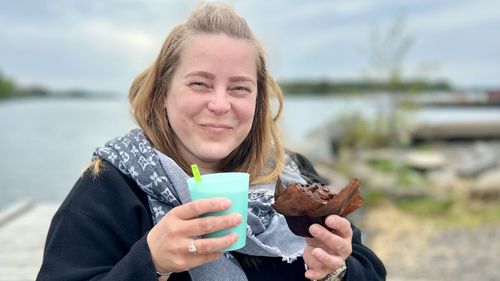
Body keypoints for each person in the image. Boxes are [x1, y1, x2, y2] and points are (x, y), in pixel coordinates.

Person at [36, 2, 386, 281]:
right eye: (200, 83)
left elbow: (369, 269)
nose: (220, 104)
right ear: (162, 94)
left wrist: (338, 270)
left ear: (257, 102)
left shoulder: (294, 180)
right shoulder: (109, 190)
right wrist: (149, 263)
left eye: (239, 88)